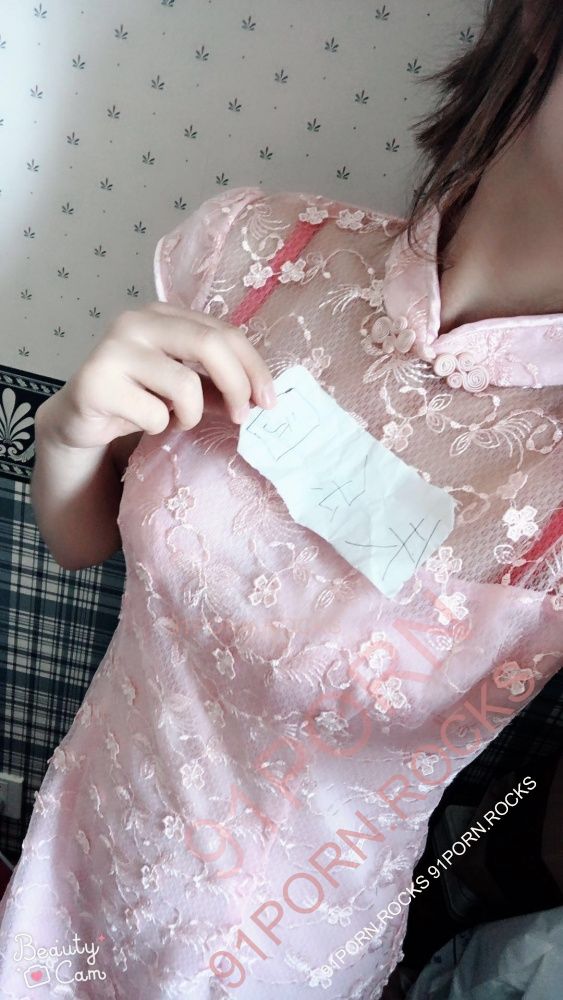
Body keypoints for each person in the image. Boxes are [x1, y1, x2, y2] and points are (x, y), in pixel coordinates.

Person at [0, 0, 561, 996]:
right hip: (77, 855)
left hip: (280, 964)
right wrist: (69, 432)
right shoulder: (256, 252)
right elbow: (82, 545)